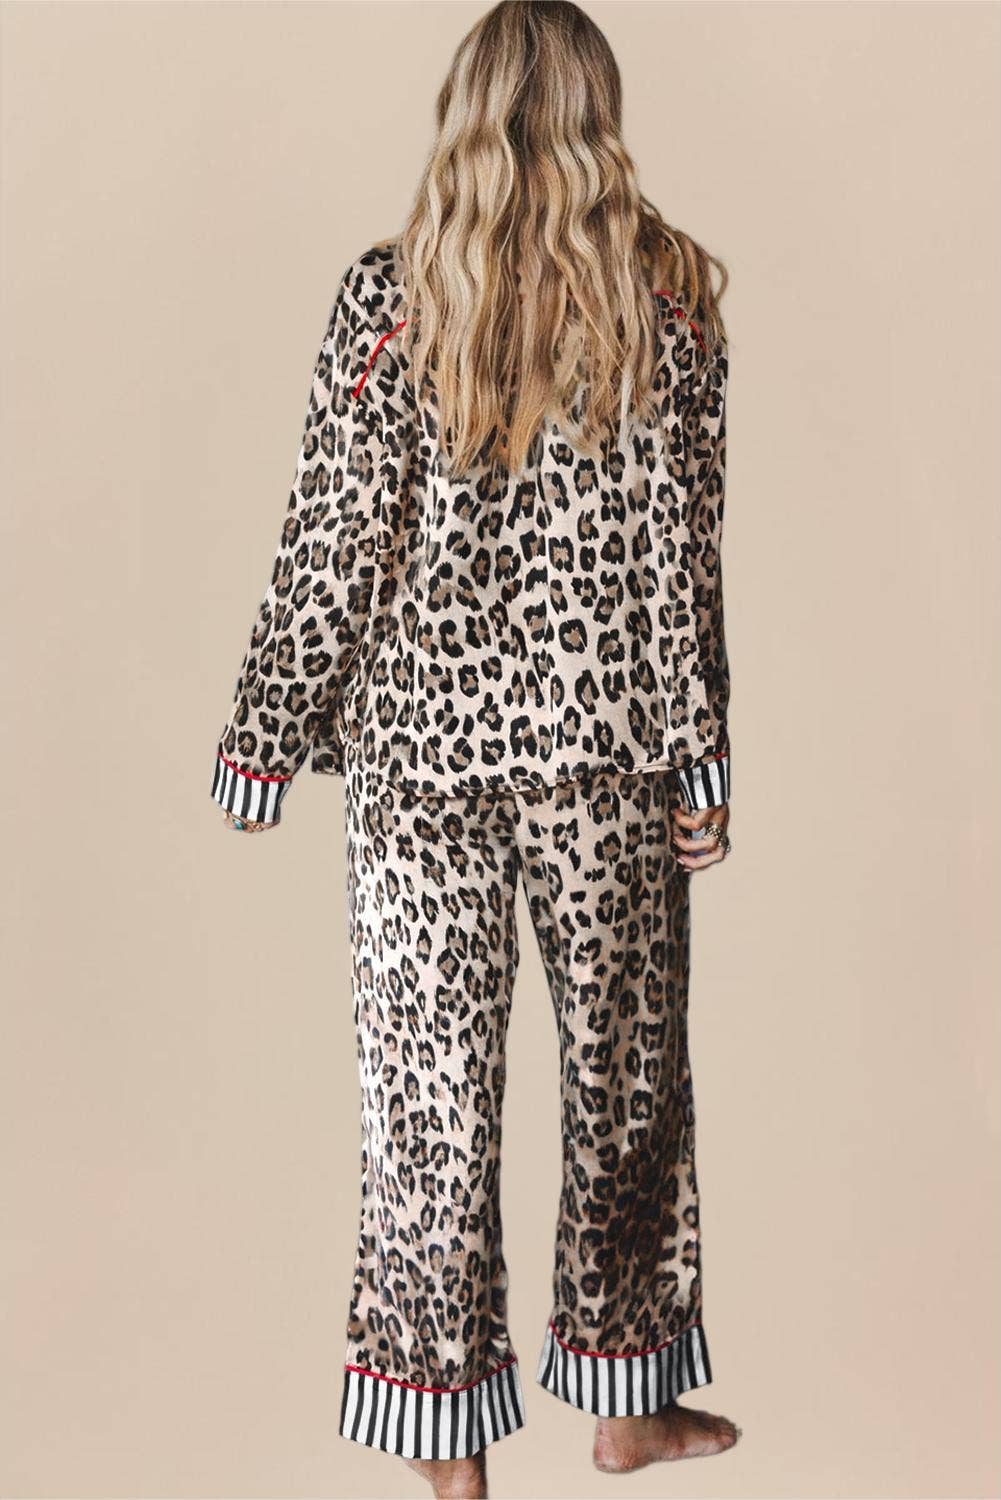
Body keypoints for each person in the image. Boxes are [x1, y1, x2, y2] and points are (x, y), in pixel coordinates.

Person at [208, 2, 740, 1493]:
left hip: (419, 766)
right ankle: (629, 1402)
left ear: (462, 112)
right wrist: (700, 760)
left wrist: (263, 737)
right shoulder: (665, 296)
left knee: (425, 1105)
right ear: (597, 112)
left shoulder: (389, 297)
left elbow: (335, 539)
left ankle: (451, 1465)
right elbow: (679, 554)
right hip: (603, 750)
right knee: (626, 1086)